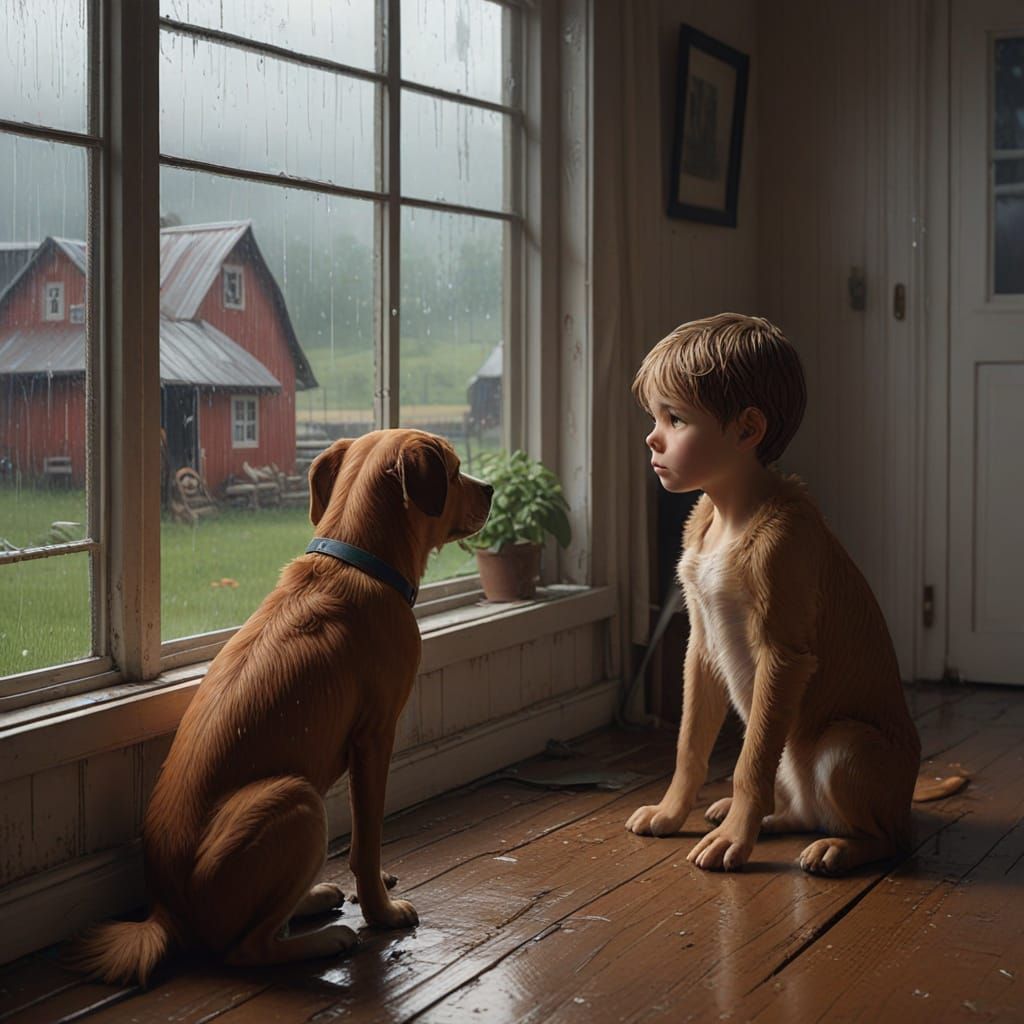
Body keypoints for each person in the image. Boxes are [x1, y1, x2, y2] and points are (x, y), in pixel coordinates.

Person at [624, 312, 925, 875]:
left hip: (849, 751)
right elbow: (706, 655)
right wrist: (682, 789)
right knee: (703, 649)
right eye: (654, 416)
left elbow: (783, 664)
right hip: (797, 760)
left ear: (746, 431)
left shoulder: (781, 536)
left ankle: (873, 835)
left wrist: (749, 801)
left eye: (675, 418)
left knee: (840, 757)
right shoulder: (705, 522)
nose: (653, 434)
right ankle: (795, 806)